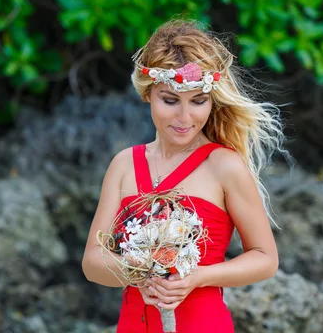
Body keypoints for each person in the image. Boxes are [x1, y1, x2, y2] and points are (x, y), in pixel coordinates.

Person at [82, 20, 289, 332]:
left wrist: (198, 277)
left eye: (198, 101)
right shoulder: (123, 165)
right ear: (147, 93)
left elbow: (265, 258)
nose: (184, 117)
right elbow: (92, 263)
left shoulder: (224, 166)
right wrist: (136, 271)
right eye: (169, 100)